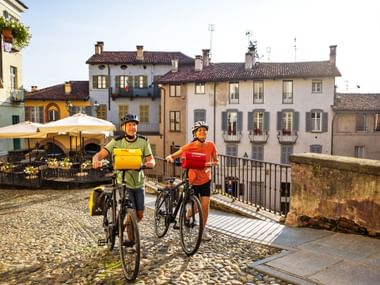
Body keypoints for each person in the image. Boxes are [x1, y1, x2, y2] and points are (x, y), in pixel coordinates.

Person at [92, 114, 155, 222]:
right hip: (123, 182)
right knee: (131, 212)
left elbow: (151, 159)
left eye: (134, 124)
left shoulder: (144, 141)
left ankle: (128, 225)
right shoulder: (117, 141)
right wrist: (96, 160)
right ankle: (127, 230)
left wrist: (150, 163)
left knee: (140, 214)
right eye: (129, 124)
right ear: (123, 127)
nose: (132, 127)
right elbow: (99, 155)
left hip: (139, 183)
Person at [165, 121, 218, 241]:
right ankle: (188, 215)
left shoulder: (211, 145)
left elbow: (216, 161)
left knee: (205, 206)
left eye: (204, 130)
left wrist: (207, 163)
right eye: (200, 130)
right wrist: (170, 157)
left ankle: (203, 229)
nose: (203, 132)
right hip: (193, 179)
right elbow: (177, 154)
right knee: (195, 207)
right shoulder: (190, 146)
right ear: (195, 133)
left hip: (205, 179)